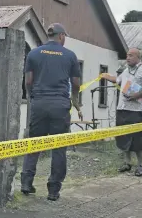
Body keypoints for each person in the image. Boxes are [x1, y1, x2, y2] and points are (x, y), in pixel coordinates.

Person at [21, 23, 83, 201]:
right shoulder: (70, 56)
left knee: (34, 143)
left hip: (39, 104)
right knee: (58, 148)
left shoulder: (33, 53)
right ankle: (53, 191)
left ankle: (26, 183)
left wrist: (33, 98)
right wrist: (75, 99)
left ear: (49, 35)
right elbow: (76, 83)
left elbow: (28, 81)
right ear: (61, 36)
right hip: (60, 106)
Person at [100, 48, 142, 176]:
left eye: (131, 55)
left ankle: (140, 165)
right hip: (122, 109)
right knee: (123, 137)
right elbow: (117, 80)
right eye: (127, 55)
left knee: (137, 139)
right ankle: (127, 163)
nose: (128, 58)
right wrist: (105, 76)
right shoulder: (126, 71)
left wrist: (138, 94)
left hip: (137, 111)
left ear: (138, 57)